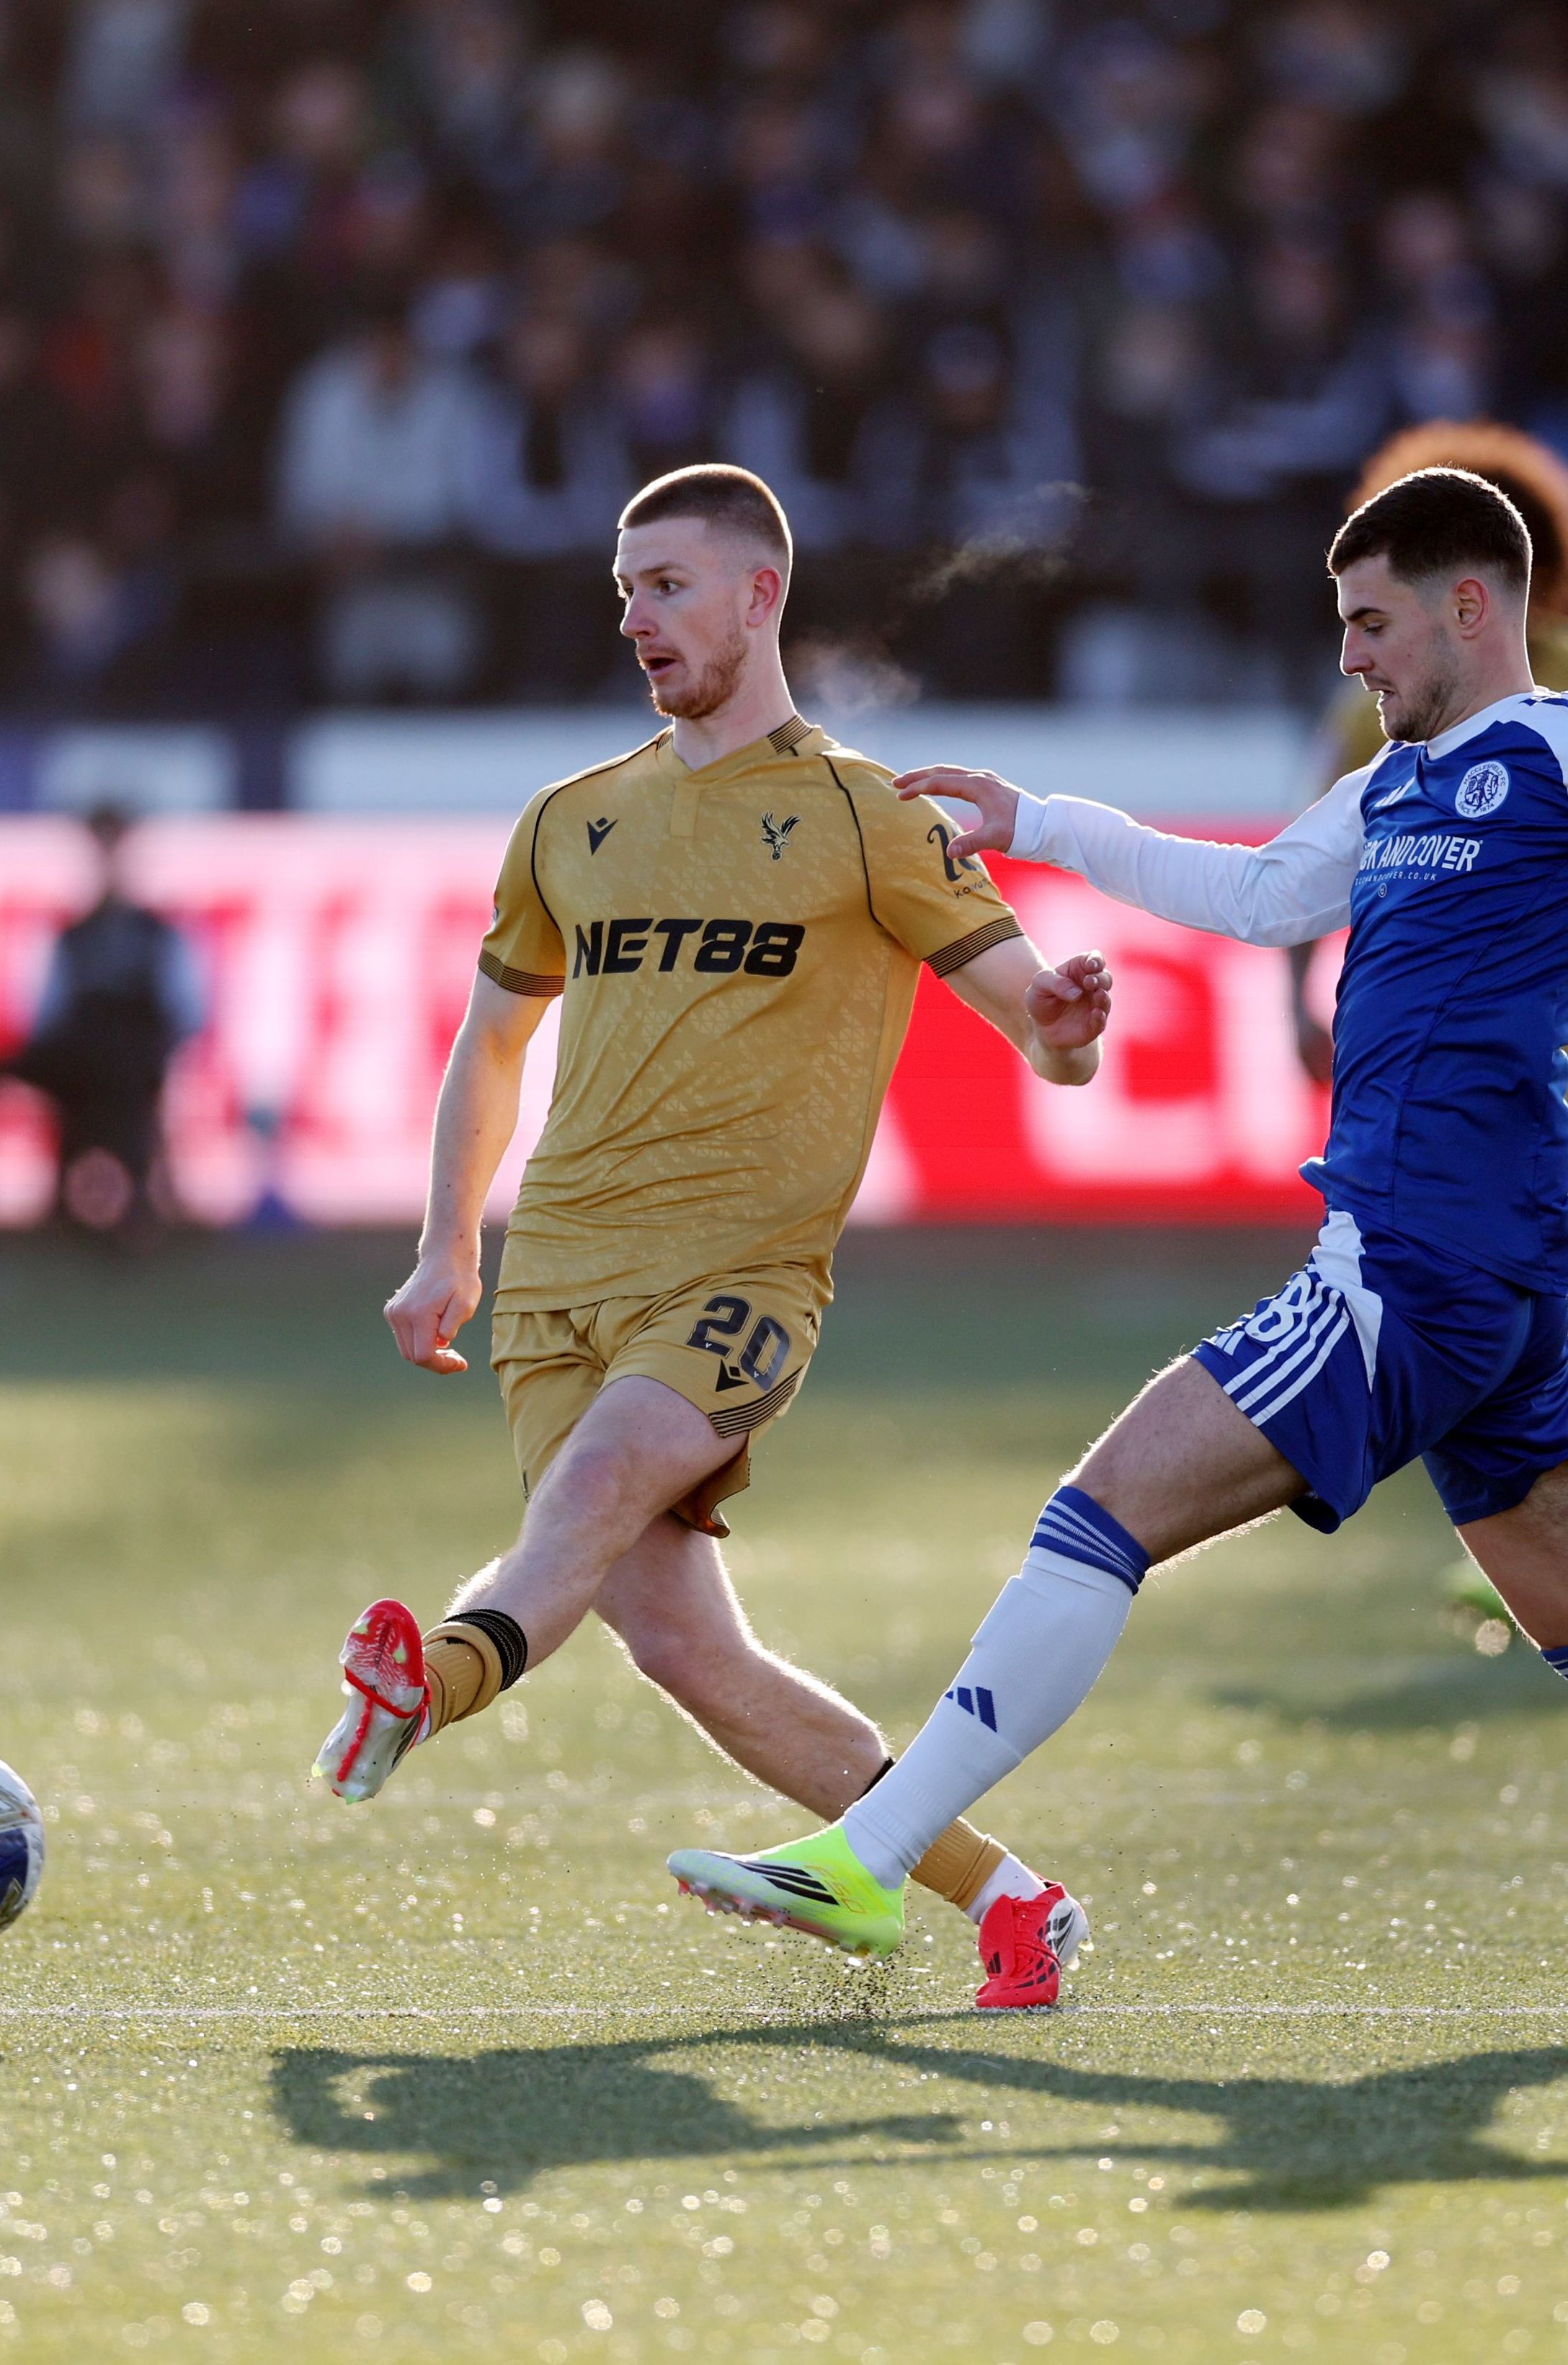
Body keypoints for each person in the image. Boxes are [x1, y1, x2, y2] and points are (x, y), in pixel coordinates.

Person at [664, 467, 1568, 2011]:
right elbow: (1252, 894)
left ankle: (871, 1852)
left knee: (1100, 1508)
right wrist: (1038, 822)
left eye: (1370, 622)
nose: (1350, 658)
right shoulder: (1395, 782)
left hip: (1412, 1261)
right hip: (1485, 1281)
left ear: (1469, 606)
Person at [308, 463, 1121, 2012]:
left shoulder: (863, 813)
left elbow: (1039, 1022)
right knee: (690, 1649)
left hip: (737, 1281)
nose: (635, 614)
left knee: (604, 1484)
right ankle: (1011, 1898)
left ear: (760, 596)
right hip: (554, 1284)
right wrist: (443, 1247)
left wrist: (1069, 1031)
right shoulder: (570, 821)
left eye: (666, 583)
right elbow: (488, 1047)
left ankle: (441, 1675)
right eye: (622, 588)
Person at [1288, 422, 1568, 1601]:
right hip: (1489, 1020)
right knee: (1506, 1254)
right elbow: (1305, 853)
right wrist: (1296, 990)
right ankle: (1544, 1522)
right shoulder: (1381, 703)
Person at [0, 802, 201, 1243]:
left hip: (132, 1063)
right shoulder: (74, 933)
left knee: (122, 1077)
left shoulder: (157, 933)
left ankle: (137, 1212)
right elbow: (47, 1015)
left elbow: (185, 1013)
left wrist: (153, 1054)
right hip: (77, 1057)